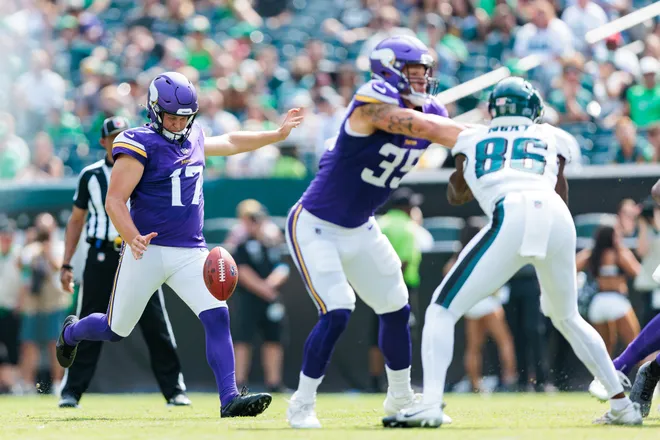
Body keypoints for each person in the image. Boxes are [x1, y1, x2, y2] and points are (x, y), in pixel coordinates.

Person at [383, 77, 642, 428]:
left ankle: (430, 403)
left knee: (442, 309)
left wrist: (468, 164)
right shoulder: (553, 135)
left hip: (510, 210)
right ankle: (622, 406)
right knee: (566, 317)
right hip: (555, 213)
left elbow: (456, 195)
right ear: (533, 109)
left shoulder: (471, 135)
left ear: (493, 109)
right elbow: (559, 186)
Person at [55, 71, 303, 418]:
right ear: (154, 111)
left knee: (217, 315)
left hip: (190, 249)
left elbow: (231, 141)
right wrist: (131, 236)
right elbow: (115, 200)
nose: (178, 123)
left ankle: (229, 398)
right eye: (171, 116)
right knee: (115, 329)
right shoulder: (137, 141)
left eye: (185, 116)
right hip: (148, 248)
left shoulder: (195, 136)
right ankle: (72, 332)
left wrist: (276, 135)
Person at [284, 35, 468, 429]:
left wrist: (485, 137)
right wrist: (468, 132)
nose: (422, 81)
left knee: (397, 307)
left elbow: (450, 133)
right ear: (390, 72)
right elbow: (419, 125)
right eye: (414, 73)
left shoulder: (429, 109)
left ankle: (400, 397)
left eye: (425, 74)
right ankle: (301, 403)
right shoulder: (372, 103)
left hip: (361, 226)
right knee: (337, 309)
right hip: (316, 224)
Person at [58, 116, 189, 409]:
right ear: (103, 142)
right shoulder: (90, 175)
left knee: (156, 323)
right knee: (89, 318)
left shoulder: (146, 165)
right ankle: (72, 391)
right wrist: (66, 263)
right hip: (102, 253)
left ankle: (174, 390)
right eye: (113, 136)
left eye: (123, 135)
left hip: (137, 253)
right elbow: (76, 220)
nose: (119, 140)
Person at [588, 180, 660, 417]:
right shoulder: (617, 251)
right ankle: (622, 365)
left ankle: (643, 369)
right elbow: (658, 191)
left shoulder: (599, 251)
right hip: (615, 300)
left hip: (601, 301)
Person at [368, 188, 425, 393]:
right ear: (406, 207)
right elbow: (404, 261)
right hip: (401, 286)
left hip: (375, 285)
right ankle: (400, 383)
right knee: (402, 333)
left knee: (377, 334)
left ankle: (376, 382)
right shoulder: (409, 229)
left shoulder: (378, 224)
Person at [447, 224, 516, 393]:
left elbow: (447, 272)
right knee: (504, 341)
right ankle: (510, 379)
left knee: (473, 347)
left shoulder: (460, 256)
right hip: (489, 304)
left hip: (472, 306)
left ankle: (476, 384)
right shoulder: (486, 252)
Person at [231, 199, 289, 392]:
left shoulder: (271, 242)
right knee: (242, 340)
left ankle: (274, 382)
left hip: (271, 299)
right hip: (249, 299)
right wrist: (264, 288)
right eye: (250, 219)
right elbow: (242, 271)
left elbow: (282, 266)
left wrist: (271, 284)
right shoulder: (241, 244)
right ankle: (238, 383)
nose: (255, 223)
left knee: (274, 339)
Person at [18, 213, 71, 394]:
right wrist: (29, 243)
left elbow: (58, 267)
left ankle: (57, 384)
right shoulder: (30, 249)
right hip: (33, 304)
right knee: (29, 343)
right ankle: (27, 384)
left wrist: (47, 250)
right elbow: (21, 267)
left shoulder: (59, 246)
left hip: (53, 302)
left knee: (54, 344)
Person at [576, 225, 641, 355]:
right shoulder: (620, 253)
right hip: (618, 302)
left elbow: (573, 266)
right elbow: (637, 272)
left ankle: (602, 376)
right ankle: (649, 375)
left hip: (597, 304)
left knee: (604, 351)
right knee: (636, 346)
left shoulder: (592, 253)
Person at [0, 216, 21, 394]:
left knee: (13, 348)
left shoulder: (20, 255)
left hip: (11, 309)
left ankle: (13, 384)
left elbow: (26, 283)